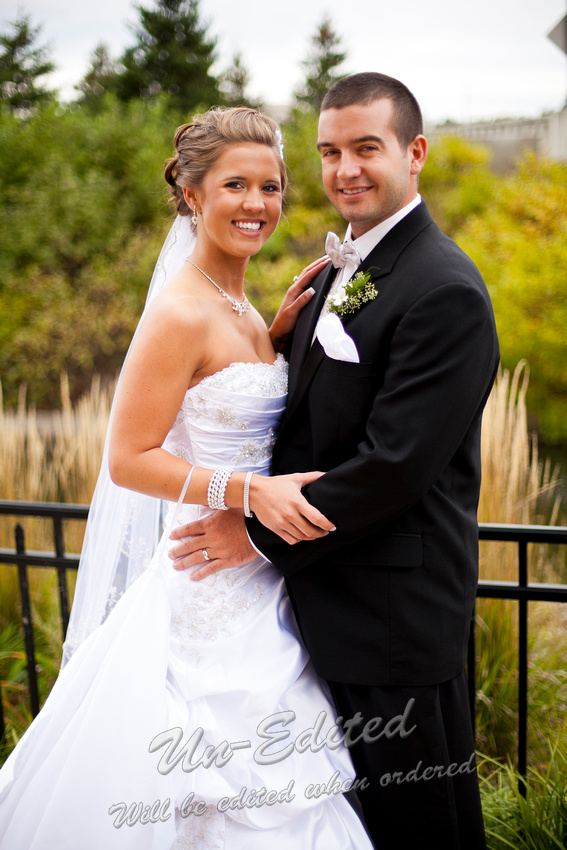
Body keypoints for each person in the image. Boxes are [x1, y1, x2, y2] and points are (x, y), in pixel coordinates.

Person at [0, 107, 374, 850]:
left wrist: (271, 344)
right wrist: (247, 493)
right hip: (202, 584)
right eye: (235, 184)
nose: (256, 203)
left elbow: (221, 403)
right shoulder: (178, 312)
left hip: (262, 582)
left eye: (269, 186)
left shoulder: (239, 306)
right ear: (192, 194)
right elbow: (129, 458)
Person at [169, 74, 500, 849]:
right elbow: (319, 416)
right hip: (319, 610)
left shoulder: (443, 288)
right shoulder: (333, 277)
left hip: (393, 621)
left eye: (365, 149)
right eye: (328, 152)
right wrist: (274, 344)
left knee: (421, 827)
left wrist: (250, 531)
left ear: (413, 153)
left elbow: (394, 464)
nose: (344, 169)